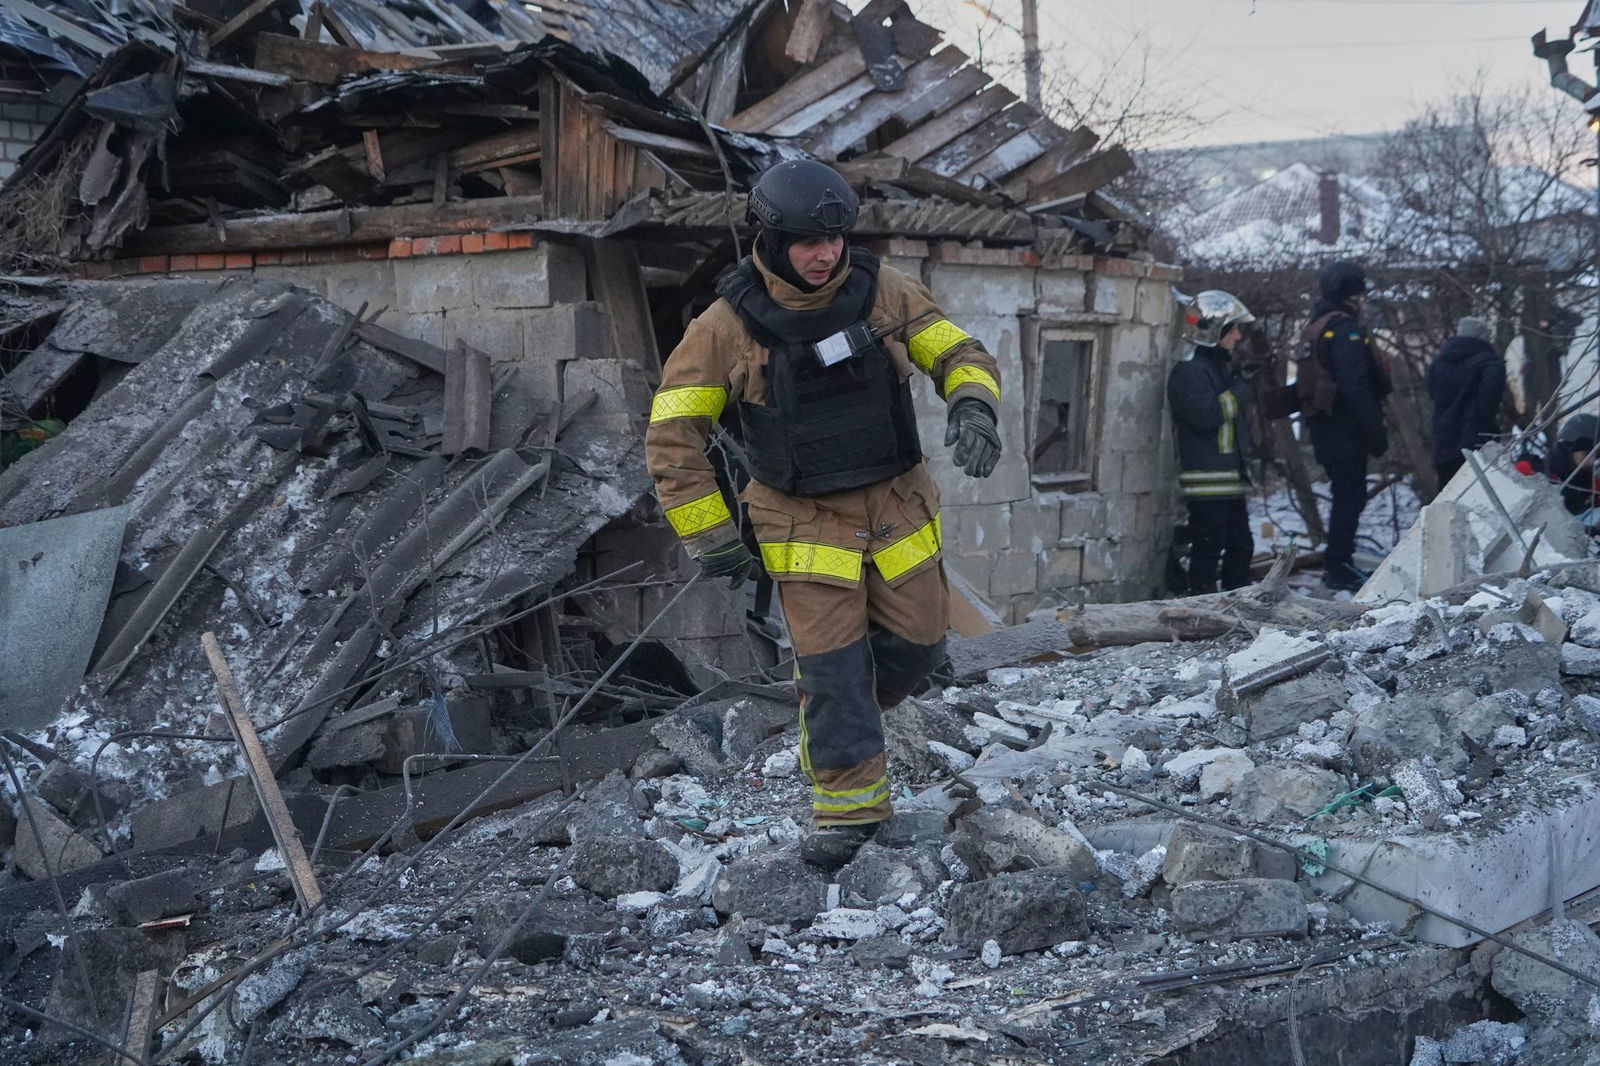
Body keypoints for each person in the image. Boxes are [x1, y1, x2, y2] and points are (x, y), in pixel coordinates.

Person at [644, 160, 1003, 870]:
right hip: (802, 523)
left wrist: (973, 403)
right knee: (835, 674)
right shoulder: (723, 328)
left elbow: (957, 349)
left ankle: (849, 721)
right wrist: (710, 536)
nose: (827, 255)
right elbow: (672, 436)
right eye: (809, 241)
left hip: (897, 508)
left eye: (836, 241)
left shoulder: (884, 292)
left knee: (919, 648)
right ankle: (849, 813)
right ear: (773, 239)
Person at [1299, 259, 1391, 592]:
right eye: (1359, 293)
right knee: (1348, 498)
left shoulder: (1317, 323)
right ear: (1349, 294)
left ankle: (1339, 561)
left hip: (1326, 428)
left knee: (1345, 496)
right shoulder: (1343, 330)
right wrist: (1375, 433)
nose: (1363, 300)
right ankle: (1339, 565)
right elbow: (1355, 386)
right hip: (1345, 430)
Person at [1168, 290, 1256, 593]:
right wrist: (1241, 391)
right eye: (1232, 329)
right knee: (1208, 549)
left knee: (1242, 547)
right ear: (1213, 331)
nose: (1237, 336)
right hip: (1207, 481)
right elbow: (1207, 416)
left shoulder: (1216, 368)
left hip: (1228, 479)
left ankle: (1236, 604)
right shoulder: (1188, 372)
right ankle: (1202, 609)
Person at [1427, 316, 1505, 488]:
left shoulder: (1438, 363)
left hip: (1444, 444)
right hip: (1478, 445)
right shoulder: (1490, 363)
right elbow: (1490, 399)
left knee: (1449, 499)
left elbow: (1433, 394)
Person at [1517, 413, 1600, 518]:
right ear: (1567, 450)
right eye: (1586, 454)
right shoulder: (1530, 473)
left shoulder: (1592, 486)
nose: (1592, 462)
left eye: (1596, 456)